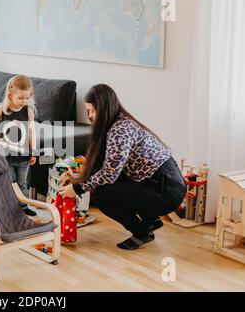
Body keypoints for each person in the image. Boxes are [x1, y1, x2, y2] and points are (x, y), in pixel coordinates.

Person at [59, 84, 187, 250]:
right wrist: (77, 178)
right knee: (105, 184)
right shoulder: (116, 122)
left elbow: (109, 174)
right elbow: (106, 166)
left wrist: (78, 189)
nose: (90, 116)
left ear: (105, 108)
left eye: (93, 111)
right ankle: (150, 219)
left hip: (166, 190)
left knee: (101, 194)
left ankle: (142, 231)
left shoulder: (121, 129)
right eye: (88, 111)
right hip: (154, 182)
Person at [0, 75, 38, 216]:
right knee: (7, 183)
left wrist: (33, 151)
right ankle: (6, 207)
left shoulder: (28, 111)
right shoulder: (1, 110)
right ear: (10, 95)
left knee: (22, 183)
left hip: (23, 156)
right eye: (21, 98)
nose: (24, 101)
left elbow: (31, 131)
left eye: (27, 97)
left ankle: (23, 206)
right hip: (6, 156)